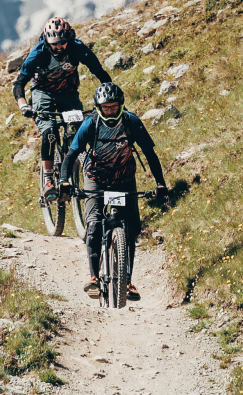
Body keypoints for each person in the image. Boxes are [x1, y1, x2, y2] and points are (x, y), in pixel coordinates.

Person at [61, 82, 166, 300]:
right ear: (98, 107)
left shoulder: (131, 122)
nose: (110, 111)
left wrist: (160, 183)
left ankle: (127, 282)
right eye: (106, 107)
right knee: (94, 225)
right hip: (95, 179)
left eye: (114, 107)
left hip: (124, 179)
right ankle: (93, 278)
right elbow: (71, 155)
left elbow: (150, 154)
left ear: (121, 105)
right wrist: (63, 180)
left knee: (130, 229)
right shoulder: (90, 124)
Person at [10, 16, 111, 185]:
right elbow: (19, 82)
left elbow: (99, 72)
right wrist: (23, 105)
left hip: (68, 92)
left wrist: (110, 97)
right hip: (43, 93)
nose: (58, 47)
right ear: (46, 40)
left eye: (62, 43)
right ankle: (48, 178)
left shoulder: (77, 48)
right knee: (49, 131)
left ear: (69, 38)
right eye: (53, 43)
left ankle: (92, 165)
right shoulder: (39, 52)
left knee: (84, 126)